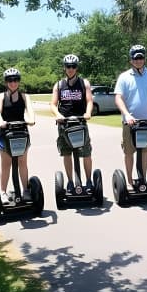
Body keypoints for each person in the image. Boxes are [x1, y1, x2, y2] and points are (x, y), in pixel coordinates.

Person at [114, 45, 147, 190]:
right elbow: (118, 98)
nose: (138, 60)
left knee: (145, 151)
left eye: (141, 57)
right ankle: (129, 182)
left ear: (144, 58)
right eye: (135, 58)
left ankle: (143, 180)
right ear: (131, 60)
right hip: (129, 122)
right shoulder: (124, 77)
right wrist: (127, 114)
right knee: (129, 152)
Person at [50, 54, 93, 193]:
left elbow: (89, 101)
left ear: (76, 68)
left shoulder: (84, 83)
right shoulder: (59, 85)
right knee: (66, 153)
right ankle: (69, 181)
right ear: (64, 68)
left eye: (73, 66)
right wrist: (58, 115)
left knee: (86, 153)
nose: (70, 69)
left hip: (80, 122)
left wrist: (88, 113)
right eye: (68, 66)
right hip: (64, 125)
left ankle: (89, 181)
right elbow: (53, 104)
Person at [0, 68, 35, 202]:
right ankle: (2, 192)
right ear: (6, 82)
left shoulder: (24, 96)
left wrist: (31, 119)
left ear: (19, 81)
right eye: (10, 80)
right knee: (6, 164)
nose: (13, 83)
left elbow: (30, 111)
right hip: (5, 133)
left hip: (21, 133)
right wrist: (1, 121)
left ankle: (25, 190)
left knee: (22, 162)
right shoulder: (1, 96)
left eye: (16, 80)